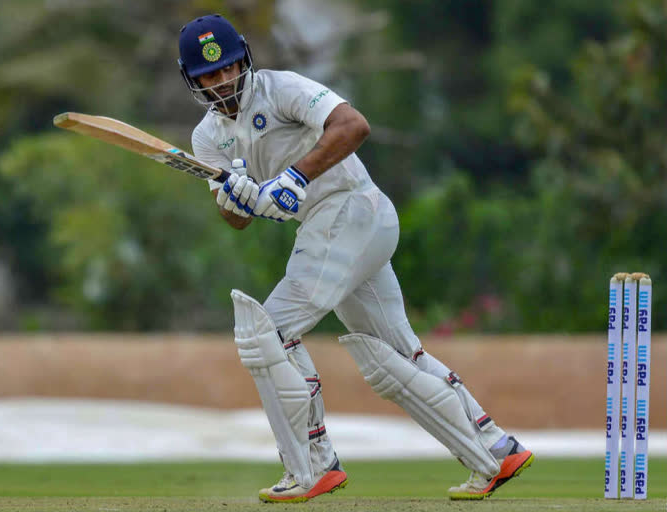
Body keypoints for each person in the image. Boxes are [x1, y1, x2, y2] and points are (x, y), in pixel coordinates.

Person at [177, 14, 534, 503]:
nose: (222, 81)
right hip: (337, 230)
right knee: (394, 356)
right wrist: (235, 200)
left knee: (268, 334)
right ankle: (494, 449)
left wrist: (293, 178)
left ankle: (312, 466)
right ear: (192, 80)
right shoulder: (206, 139)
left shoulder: (281, 89)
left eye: (229, 68)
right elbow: (236, 220)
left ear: (244, 59)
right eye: (209, 76)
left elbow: (353, 125)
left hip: (350, 209)